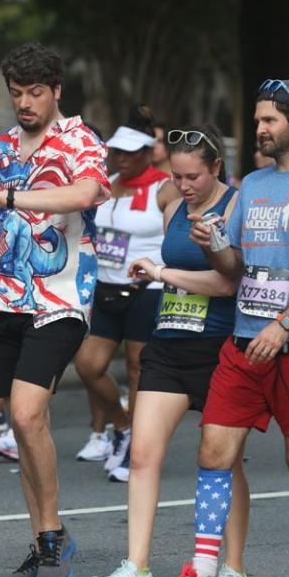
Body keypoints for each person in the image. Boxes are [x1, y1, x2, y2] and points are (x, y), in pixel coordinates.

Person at [146, 79, 289, 577]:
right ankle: (205, 575)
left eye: (268, 120)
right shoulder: (254, 185)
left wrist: (284, 324)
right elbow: (235, 269)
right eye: (259, 119)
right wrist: (214, 247)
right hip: (242, 345)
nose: (259, 129)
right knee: (213, 452)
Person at [0, 42, 109, 577]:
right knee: (21, 423)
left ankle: (55, 538)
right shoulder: (1, 148)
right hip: (4, 299)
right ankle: (45, 542)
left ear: (56, 90)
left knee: (26, 408)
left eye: (35, 92)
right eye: (16, 94)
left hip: (60, 299)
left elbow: (85, 192)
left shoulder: (80, 140)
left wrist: (0, 195)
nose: (25, 103)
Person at [87, 124, 255, 577]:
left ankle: (234, 572)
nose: (183, 186)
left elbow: (228, 283)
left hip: (220, 345)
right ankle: (136, 568)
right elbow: (179, 278)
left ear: (216, 168)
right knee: (143, 454)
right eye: (177, 176)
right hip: (168, 339)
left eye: (193, 177)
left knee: (227, 464)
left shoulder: (236, 205)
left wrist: (162, 272)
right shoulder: (175, 209)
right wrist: (153, 277)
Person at [74, 107, 178, 477]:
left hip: (146, 289)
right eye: (117, 151)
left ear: (148, 152)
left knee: (138, 369)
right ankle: (122, 425)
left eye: (130, 152)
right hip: (105, 285)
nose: (121, 158)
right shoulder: (104, 183)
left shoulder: (165, 189)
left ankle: (136, 449)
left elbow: (177, 239)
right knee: (87, 364)